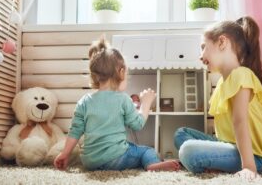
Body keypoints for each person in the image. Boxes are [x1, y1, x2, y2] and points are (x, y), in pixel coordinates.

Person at [54, 37, 180, 171]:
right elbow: (137, 124)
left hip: (90, 161)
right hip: (116, 158)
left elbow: (75, 131)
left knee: (130, 146)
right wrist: (146, 103)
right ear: (121, 73)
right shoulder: (122, 99)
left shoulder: (84, 101)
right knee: (146, 151)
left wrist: (64, 154)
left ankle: (148, 163)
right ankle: (151, 164)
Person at [173, 16, 262, 180]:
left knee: (187, 150)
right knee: (180, 134)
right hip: (230, 146)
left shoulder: (242, 74)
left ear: (222, 42)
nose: (200, 55)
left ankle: (218, 164)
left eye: (203, 47)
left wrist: (249, 167)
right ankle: (212, 163)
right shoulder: (221, 83)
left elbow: (240, 121)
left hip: (255, 158)